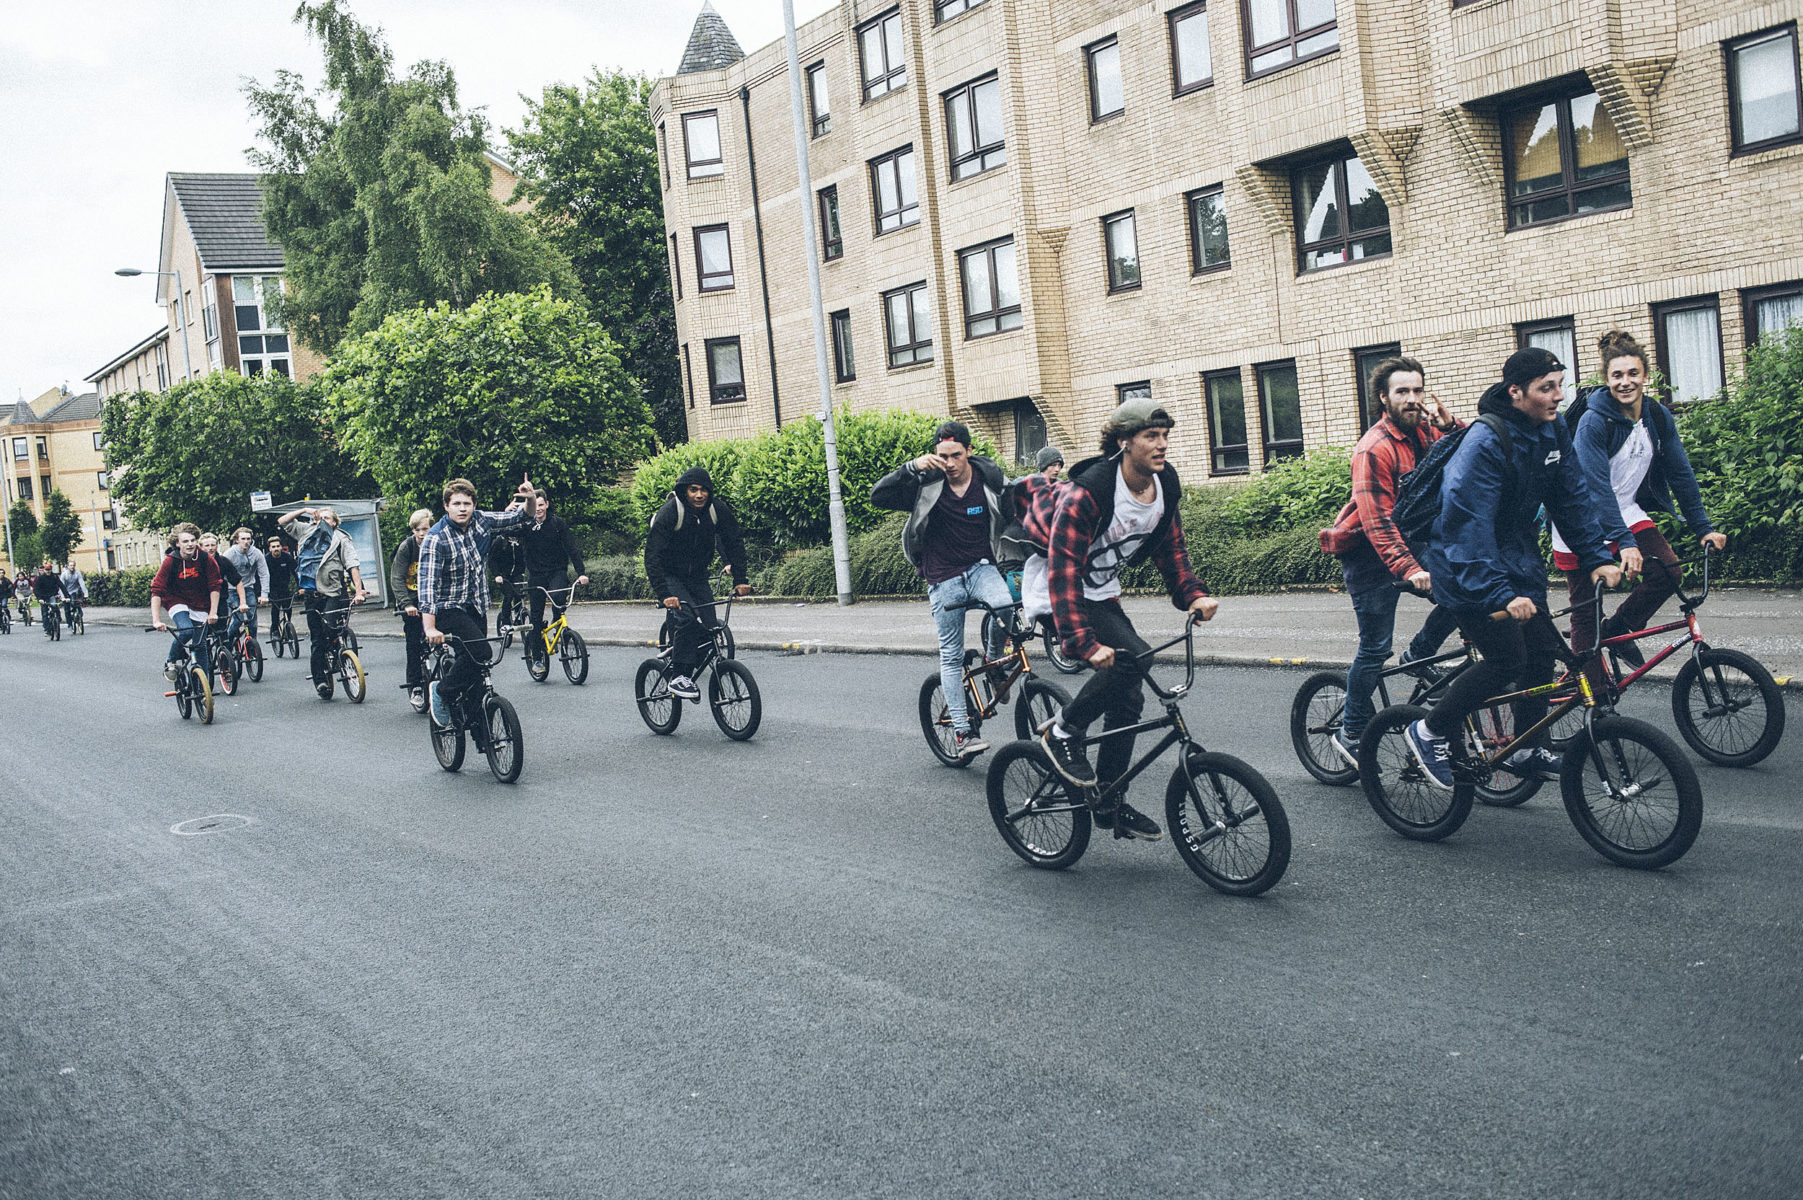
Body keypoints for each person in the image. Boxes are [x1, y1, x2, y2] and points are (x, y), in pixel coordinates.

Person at [1406, 347, 1623, 789]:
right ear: (1516, 391)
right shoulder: (1485, 441)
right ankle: (1428, 730)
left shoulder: (1552, 427)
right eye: (1547, 388)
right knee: (1506, 659)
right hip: (1463, 565)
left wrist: (1597, 557)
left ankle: (1524, 745)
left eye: (1560, 385)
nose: (1558, 396)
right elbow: (1467, 524)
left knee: (1542, 653)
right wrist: (1499, 593)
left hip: (1517, 560)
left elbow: (1571, 496)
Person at [1022, 398, 1216, 841]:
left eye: (1166, 435)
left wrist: (1193, 594)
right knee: (1139, 660)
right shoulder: (1088, 492)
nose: (1162, 445)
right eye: (1151, 436)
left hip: (1102, 594)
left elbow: (1173, 551)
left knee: (1128, 699)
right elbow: (1063, 568)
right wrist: (1081, 642)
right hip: (1058, 596)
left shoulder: (1163, 485)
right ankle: (1064, 731)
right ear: (1125, 441)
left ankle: (1108, 802)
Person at [1552, 330, 1727, 672]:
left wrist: (1703, 528)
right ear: (1606, 379)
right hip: (1580, 520)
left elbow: (1680, 473)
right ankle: (1595, 698)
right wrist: (1624, 540)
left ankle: (1621, 628)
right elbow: (1596, 487)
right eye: (1617, 375)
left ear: (1646, 375)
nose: (1625, 382)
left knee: (1668, 571)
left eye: (1633, 373)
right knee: (1586, 612)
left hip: (1625, 510)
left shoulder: (1657, 416)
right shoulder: (1593, 421)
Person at [1319, 356, 1465, 765]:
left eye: (1418, 390)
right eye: (1403, 392)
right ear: (1384, 398)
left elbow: (1471, 449)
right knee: (1375, 647)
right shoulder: (1373, 449)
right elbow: (1378, 523)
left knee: (1464, 591)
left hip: (1409, 542)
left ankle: (1419, 654)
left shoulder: (1427, 431)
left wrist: (1452, 424)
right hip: (1369, 555)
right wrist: (1411, 569)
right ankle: (1351, 732)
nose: (1413, 399)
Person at [872, 422, 1014, 759]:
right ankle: (964, 734)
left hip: (980, 567)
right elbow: (878, 497)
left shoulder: (989, 480)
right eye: (942, 456)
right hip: (942, 577)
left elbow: (1017, 508)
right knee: (950, 656)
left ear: (968, 453)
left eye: (955, 455)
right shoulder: (927, 483)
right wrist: (910, 469)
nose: (949, 462)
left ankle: (993, 660)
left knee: (1005, 606)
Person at [420, 476, 538, 725]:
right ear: (446, 506)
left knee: (475, 672)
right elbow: (427, 587)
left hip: (476, 606)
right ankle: (441, 691)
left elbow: (521, 518)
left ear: (474, 505)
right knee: (482, 653)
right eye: (457, 503)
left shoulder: (481, 521)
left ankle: (481, 736)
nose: (462, 508)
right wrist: (429, 628)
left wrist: (530, 499)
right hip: (448, 609)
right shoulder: (435, 538)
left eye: (467, 503)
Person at [644, 466, 750, 701]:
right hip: (670, 574)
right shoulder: (672, 512)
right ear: (685, 491)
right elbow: (652, 555)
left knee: (712, 628)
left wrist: (740, 579)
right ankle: (679, 676)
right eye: (693, 490)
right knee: (687, 618)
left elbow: (734, 542)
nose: (699, 495)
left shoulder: (716, 510)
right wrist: (663, 593)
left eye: (703, 490)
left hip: (698, 576)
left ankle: (686, 652)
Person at [277, 506, 368, 699]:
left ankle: (338, 651)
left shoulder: (340, 538)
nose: (323, 521)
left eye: (328, 518)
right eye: (321, 517)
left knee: (332, 628)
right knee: (317, 640)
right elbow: (283, 522)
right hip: (312, 594)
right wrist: (304, 510)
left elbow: (352, 564)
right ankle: (321, 681)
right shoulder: (306, 531)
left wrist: (359, 591)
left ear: (335, 522)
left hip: (333, 591)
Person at [519, 491, 590, 657]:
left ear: (547, 505)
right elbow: (509, 534)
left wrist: (581, 573)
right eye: (535, 506)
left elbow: (572, 549)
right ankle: (536, 657)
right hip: (536, 575)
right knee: (536, 618)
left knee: (559, 600)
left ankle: (558, 625)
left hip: (556, 571)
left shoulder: (557, 524)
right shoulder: (526, 526)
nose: (538, 509)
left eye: (541, 505)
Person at [150, 523, 222, 675]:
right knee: (186, 630)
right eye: (185, 541)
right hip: (176, 601)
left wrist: (213, 612)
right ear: (177, 543)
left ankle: (203, 688)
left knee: (200, 644)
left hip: (200, 603)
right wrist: (156, 620)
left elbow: (215, 586)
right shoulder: (171, 561)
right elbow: (156, 590)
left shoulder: (205, 558)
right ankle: (171, 661)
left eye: (192, 540)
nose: (190, 544)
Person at [388, 508, 434, 710]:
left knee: (447, 637)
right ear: (413, 530)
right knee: (414, 642)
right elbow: (397, 578)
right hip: (411, 600)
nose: (422, 533)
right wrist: (406, 604)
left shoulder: (436, 544)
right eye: (418, 529)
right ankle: (416, 686)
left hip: (432, 598)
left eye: (426, 528)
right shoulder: (407, 547)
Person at [220, 527, 271, 642]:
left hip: (248, 587)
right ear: (237, 540)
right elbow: (221, 574)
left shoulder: (256, 553)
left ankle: (252, 646)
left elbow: (264, 574)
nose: (246, 542)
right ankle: (227, 642)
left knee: (252, 618)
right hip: (231, 589)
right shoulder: (229, 554)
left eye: (248, 539)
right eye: (243, 538)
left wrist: (264, 594)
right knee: (237, 620)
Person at [197, 533, 251, 642]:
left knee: (222, 633)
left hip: (220, 600)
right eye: (207, 546)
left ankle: (225, 655)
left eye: (213, 545)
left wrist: (243, 602)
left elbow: (238, 582)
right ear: (201, 547)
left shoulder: (223, 561)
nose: (210, 548)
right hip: (201, 603)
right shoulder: (195, 563)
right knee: (203, 635)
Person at [490, 529, 527, 636]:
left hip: (517, 574)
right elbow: (492, 560)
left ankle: (519, 615)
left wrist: (524, 571)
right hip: (503, 575)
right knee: (509, 595)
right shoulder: (500, 541)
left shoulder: (521, 541)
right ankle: (505, 622)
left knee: (520, 595)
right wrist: (497, 574)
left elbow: (524, 557)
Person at [266, 535, 297, 637]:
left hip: (284, 587)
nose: (276, 549)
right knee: (275, 609)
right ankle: (275, 629)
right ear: (270, 548)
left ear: (281, 547)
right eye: (273, 547)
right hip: (272, 588)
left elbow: (295, 572)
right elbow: (261, 576)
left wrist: (300, 587)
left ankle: (288, 626)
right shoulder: (266, 559)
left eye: (277, 546)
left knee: (288, 607)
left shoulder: (287, 557)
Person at [31, 562, 64, 637]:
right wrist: (39, 598)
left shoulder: (54, 577)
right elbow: (36, 589)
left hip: (51, 595)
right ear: (44, 570)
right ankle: (47, 629)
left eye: (49, 569)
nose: (48, 571)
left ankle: (57, 620)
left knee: (55, 607)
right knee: (45, 612)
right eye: (46, 569)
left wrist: (66, 596)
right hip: (43, 597)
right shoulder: (40, 578)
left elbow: (61, 586)